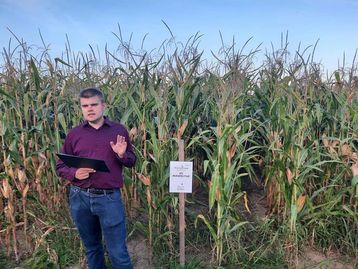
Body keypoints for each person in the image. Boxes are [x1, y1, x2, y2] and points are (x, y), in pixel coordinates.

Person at [56, 87, 135, 269]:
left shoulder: (118, 130)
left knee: (118, 252)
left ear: (103, 105)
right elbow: (60, 165)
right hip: (79, 197)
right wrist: (74, 173)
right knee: (92, 248)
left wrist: (122, 155)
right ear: (81, 108)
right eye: (85, 106)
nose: (89, 109)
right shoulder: (74, 134)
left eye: (93, 104)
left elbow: (132, 161)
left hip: (109, 199)